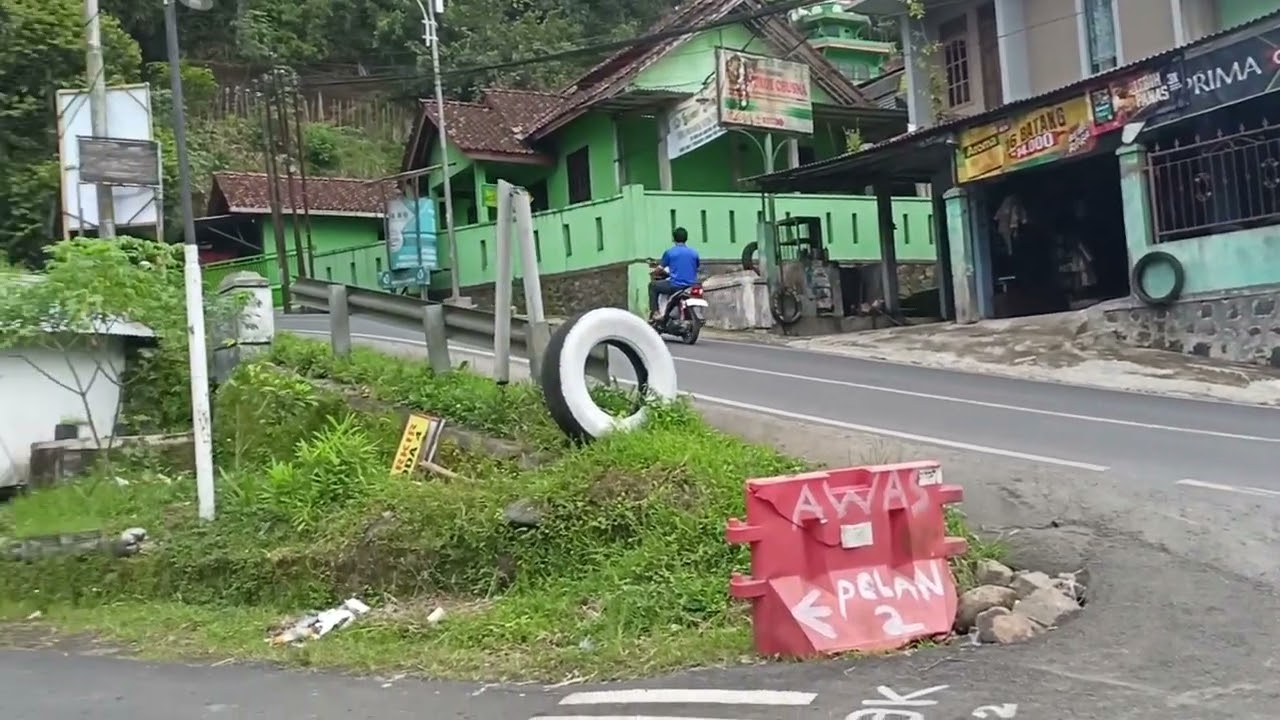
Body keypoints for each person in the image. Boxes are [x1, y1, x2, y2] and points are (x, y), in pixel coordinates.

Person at [649, 227, 700, 321]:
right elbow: (696, 267)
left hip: (676, 285)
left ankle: (656, 312)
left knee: (652, 286)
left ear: (673, 238)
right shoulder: (694, 253)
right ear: (686, 238)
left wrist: (653, 272)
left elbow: (660, 269)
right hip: (690, 286)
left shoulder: (670, 253)